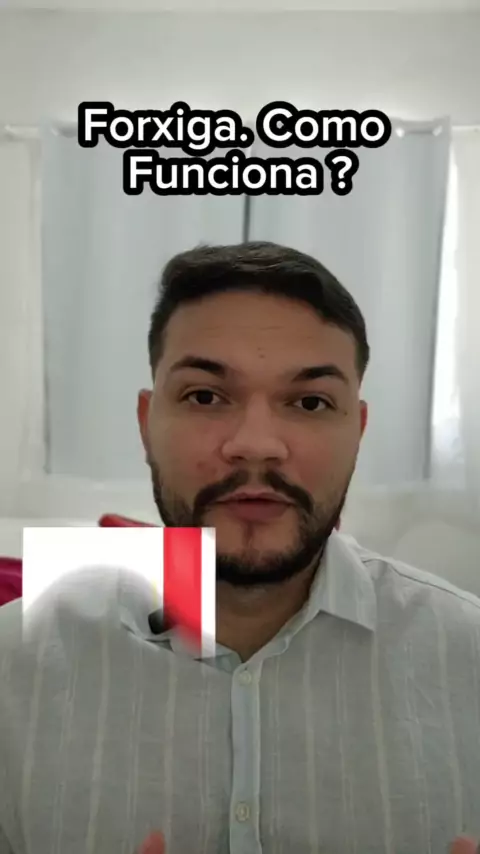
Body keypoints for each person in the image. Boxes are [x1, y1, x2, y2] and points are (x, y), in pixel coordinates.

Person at [0, 241, 479, 854]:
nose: (256, 444)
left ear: (357, 431)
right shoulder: (15, 667)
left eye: (309, 402)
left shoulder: (468, 659)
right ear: (147, 424)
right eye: (205, 396)